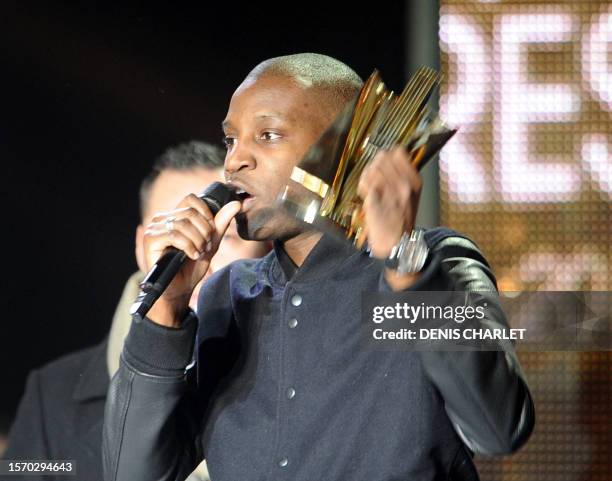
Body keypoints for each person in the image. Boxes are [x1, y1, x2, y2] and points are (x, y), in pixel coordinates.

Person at [102, 54, 535, 481]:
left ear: (342, 148)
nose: (234, 160)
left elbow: (497, 427)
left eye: (268, 135)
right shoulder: (228, 296)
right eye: (231, 139)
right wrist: (166, 308)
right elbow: (133, 472)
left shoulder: (434, 264)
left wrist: (405, 263)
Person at [1, 141, 270, 481]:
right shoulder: (53, 392)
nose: (197, 252)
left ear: (265, 244)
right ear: (141, 244)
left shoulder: (297, 374)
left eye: (224, 236)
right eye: (174, 230)